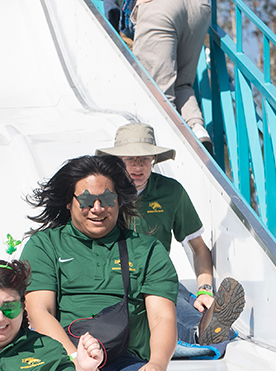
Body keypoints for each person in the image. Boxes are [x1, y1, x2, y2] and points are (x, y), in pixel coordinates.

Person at [21, 154, 205, 371]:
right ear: (69, 202)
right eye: (87, 199)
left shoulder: (145, 249)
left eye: (106, 199)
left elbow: (163, 317)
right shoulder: (45, 246)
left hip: (126, 358)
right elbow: (39, 312)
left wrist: (159, 365)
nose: (97, 208)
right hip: (68, 358)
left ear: (119, 201)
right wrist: (78, 362)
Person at [97, 122, 244, 347]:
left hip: (156, 277)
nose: (138, 165)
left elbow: (199, 248)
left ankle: (204, 329)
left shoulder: (171, 192)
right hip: (114, 278)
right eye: (130, 158)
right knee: (140, 313)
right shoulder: (102, 193)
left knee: (175, 302)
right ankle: (197, 334)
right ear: (117, 161)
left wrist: (205, 290)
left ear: (154, 160)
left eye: (145, 158)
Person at [130, 0, 213, 149]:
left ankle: (169, 139)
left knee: (155, 86)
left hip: (160, 6)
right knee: (182, 83)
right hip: (199, 8)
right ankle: (196, 126)